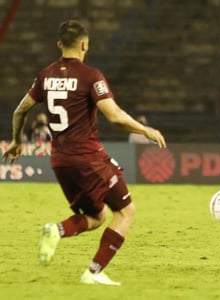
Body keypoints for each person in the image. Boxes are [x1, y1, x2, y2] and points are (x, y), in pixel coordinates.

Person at [1, 20, 167, 285]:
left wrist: (17, 141)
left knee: (96, 216)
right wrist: (145, 130)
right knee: (126, 212)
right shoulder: (91, 75)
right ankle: (93, 273)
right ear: (84, 44)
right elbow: (114, 115)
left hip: (60, 161)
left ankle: (56, 230)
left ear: (59, 45)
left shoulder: (45, 75)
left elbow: (20, 110)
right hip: (88, 158)